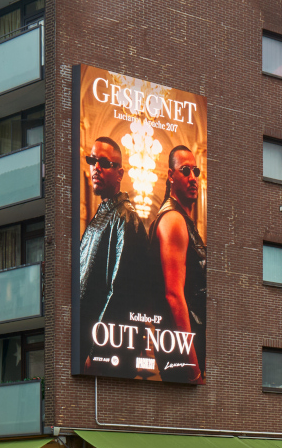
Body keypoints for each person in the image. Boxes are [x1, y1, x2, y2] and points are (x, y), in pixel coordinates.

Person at [78, 137, 142, 372]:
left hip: (101, 351)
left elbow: (121, 292)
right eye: (92, 160)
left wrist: (97, 352)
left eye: (104, 162)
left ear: (120, 173)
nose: (95, 167)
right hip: (85, 343)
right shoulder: (103, 213)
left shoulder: (125, 217)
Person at [147, 145, 206, 383]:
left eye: (196, 171)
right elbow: (173, 295)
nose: (192, 178)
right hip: (186, 352)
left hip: (187, 345)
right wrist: (194, 370)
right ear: (170, 176)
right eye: (185, 171)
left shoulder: (181, 219)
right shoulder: (173, 220)